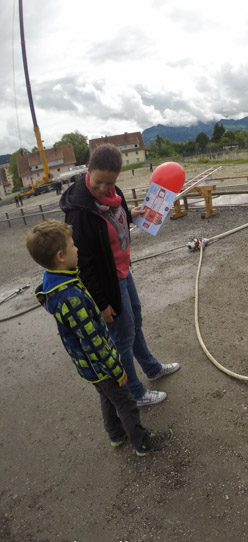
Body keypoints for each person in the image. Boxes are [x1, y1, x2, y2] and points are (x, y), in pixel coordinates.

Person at [26, 219, 173, 456]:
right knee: (124, 402)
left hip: (89, 368)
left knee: (107, 398)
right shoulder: (70, 296)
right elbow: (93, 341)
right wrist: (117, 370)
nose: (77, 249)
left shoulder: (57, 282)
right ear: (61, 256)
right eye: (73, 246)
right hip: (101, 365)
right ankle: (142, 442)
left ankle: (116, 435)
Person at [60, 144, 180, 407]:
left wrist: (130, 214)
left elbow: (118, 216)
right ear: (87, 170)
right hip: (107, 281)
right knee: (122, 337)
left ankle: (151, 368)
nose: (105, 188)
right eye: (99, 181)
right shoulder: (80, 212)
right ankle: (135, 393)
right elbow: (85, 265)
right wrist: (102, 304)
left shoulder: (116, 194)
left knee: (135, 321)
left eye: (110, 182)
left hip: (124, 270)